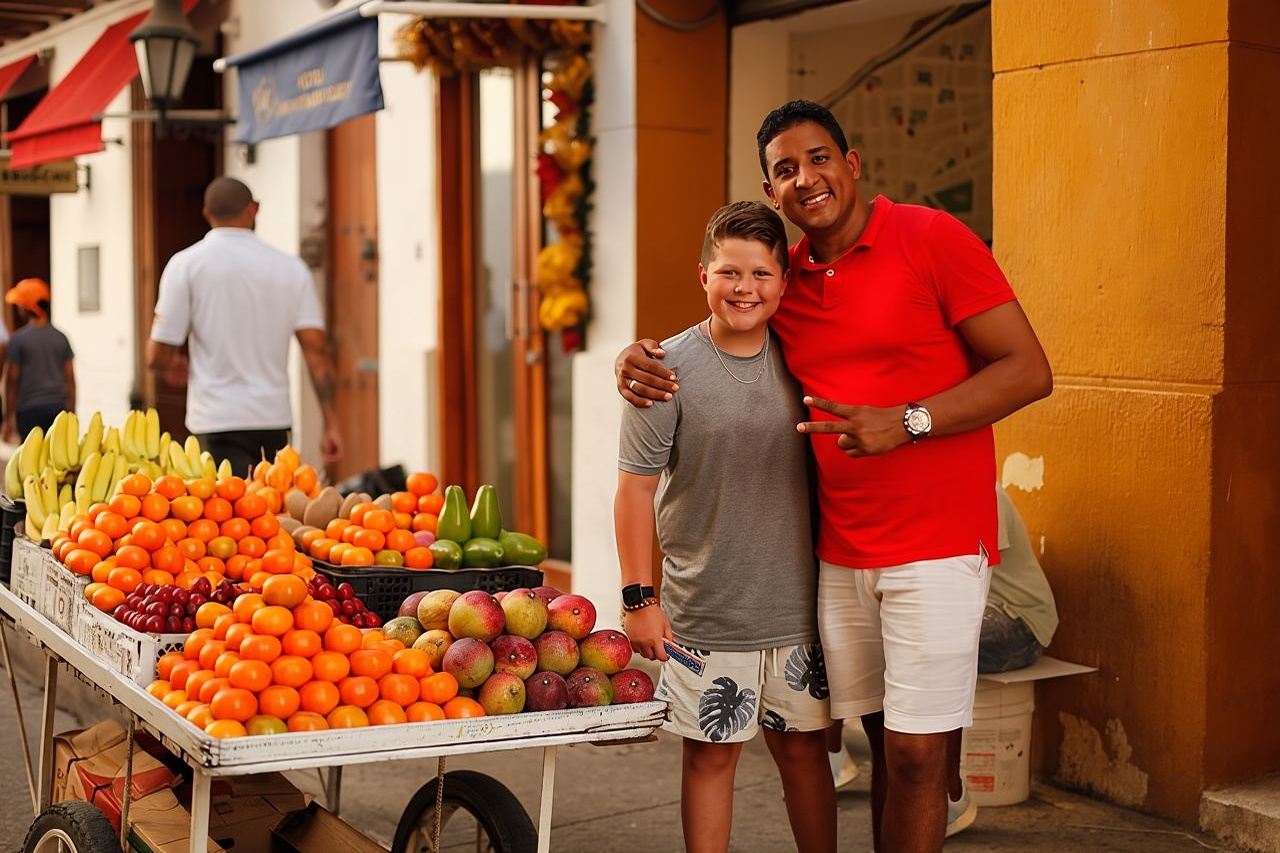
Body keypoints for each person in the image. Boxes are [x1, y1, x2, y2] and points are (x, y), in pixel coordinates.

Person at [617, 100, 1052, 853]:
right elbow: (727, 322)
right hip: (839, 559)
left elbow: (1030, 370)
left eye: (818, 158)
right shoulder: (792, 289)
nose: (806, 178)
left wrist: (908, 419)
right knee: (884, 746)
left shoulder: (929, 236)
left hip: (937, 543)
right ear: (771, 188)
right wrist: (634, 360)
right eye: (785, 169)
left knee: (917, 755)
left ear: (850, 164)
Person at [615, 201, 836, 853]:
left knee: (803, 755)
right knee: (712, 759)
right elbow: (634, 491)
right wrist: (639, 598)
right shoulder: (664, 370)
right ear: (702, 275)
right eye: (729, 272)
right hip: (705, 611)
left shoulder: (808, 357)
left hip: (800, 608)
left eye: (762, 273)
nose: (745, 288)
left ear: (783, 282)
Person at [829, 482, 1061, 836]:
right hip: (979, 609)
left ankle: (951, 788)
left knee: (922, 655)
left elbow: (959, 593)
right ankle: (839, 757)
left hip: (1018, 623)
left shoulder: (982, 494)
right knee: (869, 646)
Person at [147, 177, 342, 477]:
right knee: (269, 515)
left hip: (214, 420)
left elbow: (156, 356)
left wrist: (173, 364)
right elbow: (316, 351)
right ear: (253, 210)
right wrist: (331, 422)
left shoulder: (185, 265)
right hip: (272, 419)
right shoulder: (291, 269)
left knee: (224, 519)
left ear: (206, 214)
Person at [2, 278, 74, 442]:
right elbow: (70, 380)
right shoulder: (61, 338)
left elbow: (12, 381)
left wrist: (8, 419)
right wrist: (72, 413)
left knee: (30, 465)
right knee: (57, 464)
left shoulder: (18, 340)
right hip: (59, 410)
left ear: (25, 306)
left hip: (29, 411)